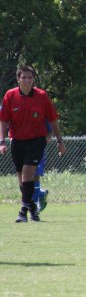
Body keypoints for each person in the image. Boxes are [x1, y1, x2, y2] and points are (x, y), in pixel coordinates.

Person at [0, 64, 66, 223]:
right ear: (18, 79)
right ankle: (32, 208)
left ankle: (22, 212)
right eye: (24, 77)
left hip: (36, 141)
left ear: (33, 79)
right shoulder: (10, 95)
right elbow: (3, 120)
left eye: (30, 77)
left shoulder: (42, 96)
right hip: (17, 141)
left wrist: (60, 141)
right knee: (22, 181)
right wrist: (2, 141)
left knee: (28, 174)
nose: (27, 80)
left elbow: (53, 120)